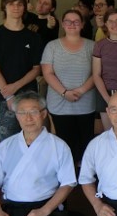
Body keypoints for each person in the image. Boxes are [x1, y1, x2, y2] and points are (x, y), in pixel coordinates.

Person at [0, 0, 43, 141]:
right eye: (11, 4)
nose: (16, 7)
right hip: (2, 95)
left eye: (19, 4)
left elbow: (36, 69)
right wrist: (9, 95)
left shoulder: (34, 37)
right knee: (6, 137)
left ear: (24, 8)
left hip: (28, 94)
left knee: (32, 137)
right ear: (4, 7)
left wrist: (15, 87)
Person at [41, 10, 96, 164]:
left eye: (76, 21)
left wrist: (81, 91)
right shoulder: (52, 46)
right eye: (68, 21)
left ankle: (85, 173)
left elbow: (97, 73)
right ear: (63, 24)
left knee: (86, 142)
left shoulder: (92, 46)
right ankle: (67, 172)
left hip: (85, 103)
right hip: (59, 103)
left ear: (82, 24)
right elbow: (48, 73)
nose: (72, 24)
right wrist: (64, 93)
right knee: (65, 143)